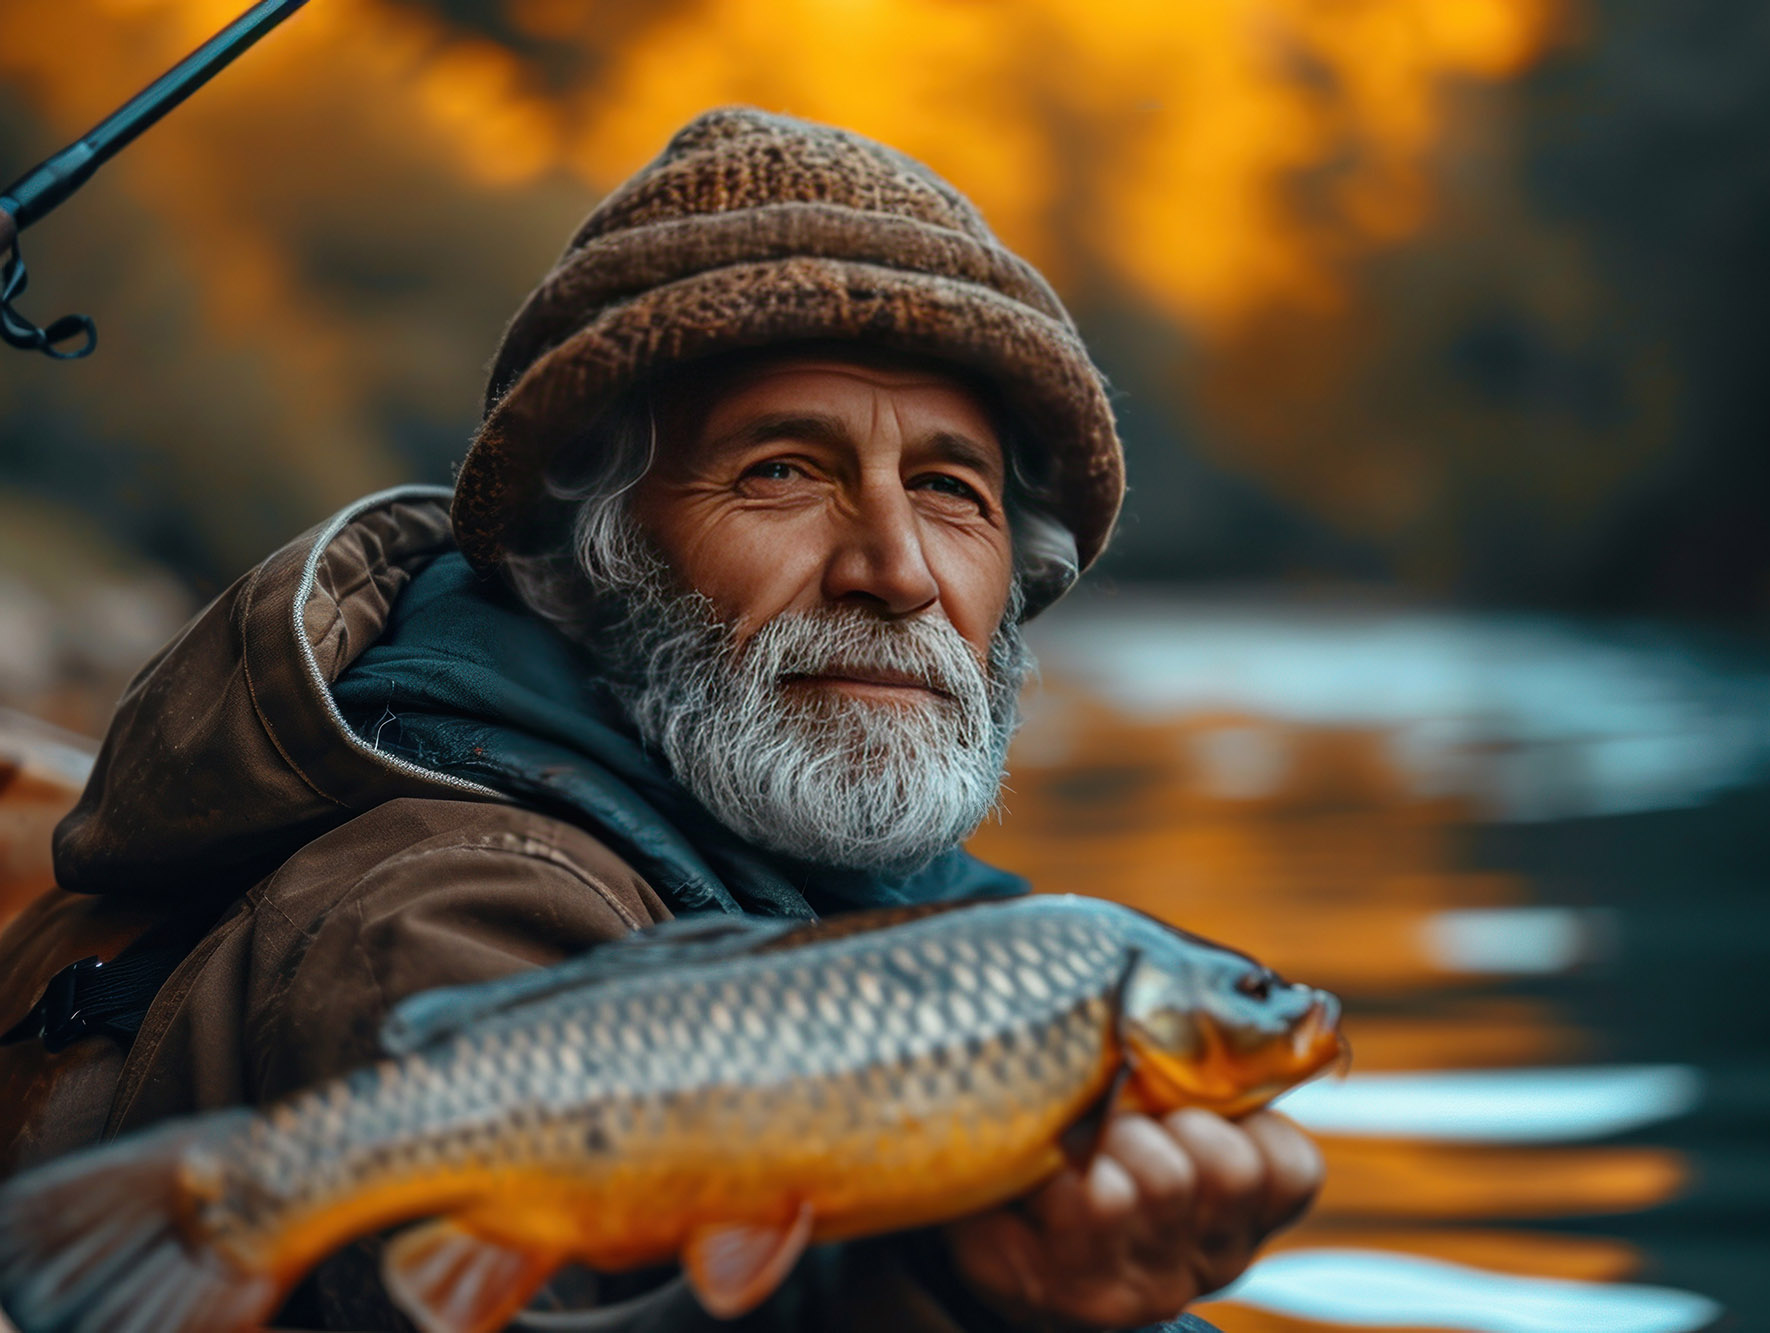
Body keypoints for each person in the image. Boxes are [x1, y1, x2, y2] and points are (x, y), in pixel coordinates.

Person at [31, 108, 1324, 1330]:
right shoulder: (436, 910)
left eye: (949, 490)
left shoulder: (926, 921)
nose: (898, 567)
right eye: (781, 472)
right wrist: (967, 1297)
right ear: (582, 556)